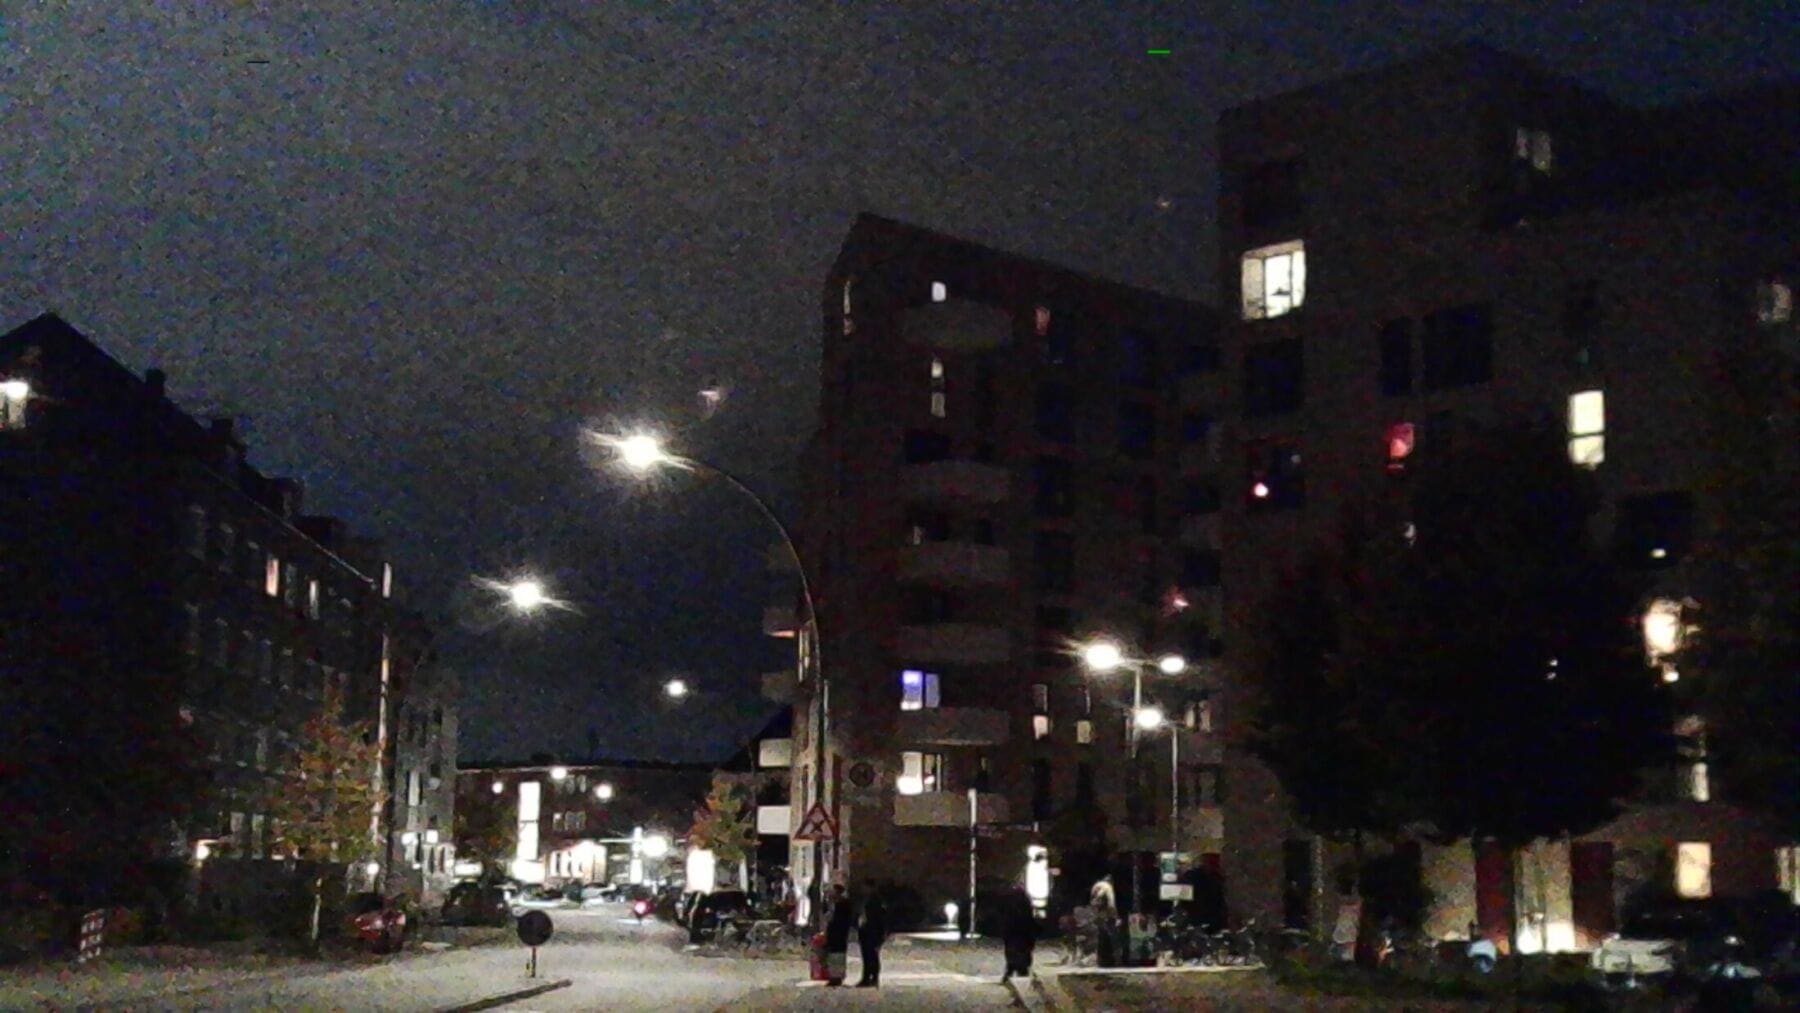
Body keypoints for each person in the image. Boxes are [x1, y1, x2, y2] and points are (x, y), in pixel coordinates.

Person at [999, 884, 1037, 984]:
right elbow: (1030, 919)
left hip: (1014, 932)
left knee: (1012, 952)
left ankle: (1011, 971)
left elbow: (1005, 917)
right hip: (1023, 932)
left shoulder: (1010, 903)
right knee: (1022, 953)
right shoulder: (1025, 904)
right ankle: (1021, 972)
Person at [855, 884, 887, 988]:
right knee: (866, 956)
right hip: (865, 931)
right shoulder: (866, 900)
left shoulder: (875, 901)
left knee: (872, 956)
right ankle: (866, 977)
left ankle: (873, 978)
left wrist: (881, 934)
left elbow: (879, 919)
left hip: (872, 932)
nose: (863, 889)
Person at [822, 884, 854, 986]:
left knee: (838, 955)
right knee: (832, 955)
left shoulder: (843, 904)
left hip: (839, 932)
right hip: (833, 932)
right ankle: (832, 975)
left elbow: (843, 919)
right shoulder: (831, 904)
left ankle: (838, 976)